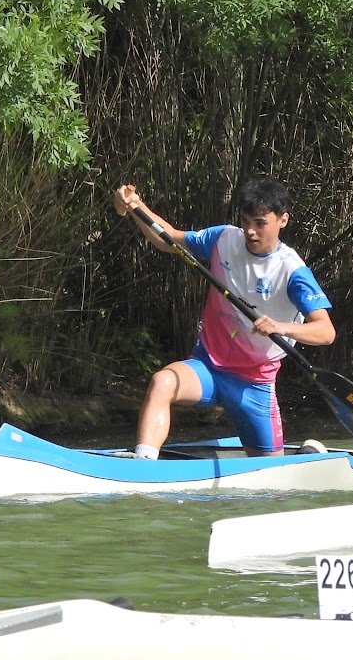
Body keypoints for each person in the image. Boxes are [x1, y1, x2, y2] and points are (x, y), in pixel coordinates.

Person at [113, 178, 335, 458]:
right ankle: (144, 460)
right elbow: (167, 238)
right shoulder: (223, 239)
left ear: (283, 220)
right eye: (245, 221)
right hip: (207, 366)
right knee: (162, 382)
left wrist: (280, 327)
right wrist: (135, 205)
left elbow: (325, 332)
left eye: (260, 223)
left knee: (271, 471)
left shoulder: (292, 272)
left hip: (255, 383)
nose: (250, 231)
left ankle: (310, 456)